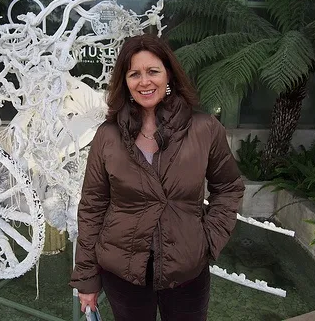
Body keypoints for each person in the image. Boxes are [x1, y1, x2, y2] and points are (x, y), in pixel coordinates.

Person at [70, 34, 244, 321]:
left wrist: (207, 240)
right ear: (124, 82)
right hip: (124, 274)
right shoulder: (108, 136)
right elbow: (92, 207)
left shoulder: (204, 128)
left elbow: (228, 187)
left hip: (187, 270)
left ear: (169, 75)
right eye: (134, 74)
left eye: (153, 71)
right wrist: (86, 278)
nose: (144, 81)